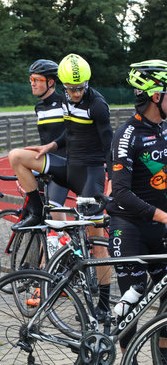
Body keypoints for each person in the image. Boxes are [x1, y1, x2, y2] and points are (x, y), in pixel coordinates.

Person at [9, 53, 113, 320]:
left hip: (90, 172)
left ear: (87, 83)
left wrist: (111, 183)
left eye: (80, 88)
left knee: (97, 239)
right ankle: (35, 209)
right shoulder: (64, 97)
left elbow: (108, 146)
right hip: (68, 167)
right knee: (16, 157)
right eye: (70, 88)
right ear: (62, 85)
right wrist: (51, 146)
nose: (75, 93)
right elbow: (69, 131)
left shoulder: (98, 105)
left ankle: (102, 303)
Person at [107, 60, 167, 358]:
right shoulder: (128, 133)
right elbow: (120, 192)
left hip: (160, 229)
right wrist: (162, 215)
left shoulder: (165, 129)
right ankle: (126, 356)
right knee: (133, 301)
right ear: (156, 95)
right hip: (128, 226)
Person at [29, 59, 68, 220]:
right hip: (46, 163)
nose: (32, 84)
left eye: (37, 80)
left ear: (50, 82)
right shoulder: (38, 107)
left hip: (64, 162)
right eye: (31, 80)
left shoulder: (64, 103)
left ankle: (68, 241)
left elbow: (70, 133)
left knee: (54, 210)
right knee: (39, 212)